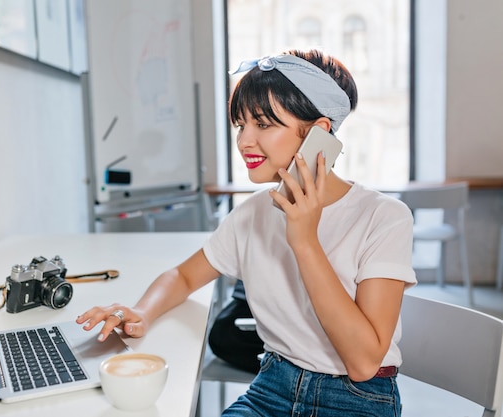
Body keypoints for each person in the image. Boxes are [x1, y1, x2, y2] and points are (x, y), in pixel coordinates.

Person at [76, 49, 416, 417]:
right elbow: (184, 274)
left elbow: (364, 362)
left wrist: (304, 241)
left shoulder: (383, 217)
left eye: (264, 124)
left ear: (318, 133)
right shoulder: (253, 213)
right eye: (241, 125)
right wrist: (142, 310)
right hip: (272, 387)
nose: (243, 142)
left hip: (357, 399)